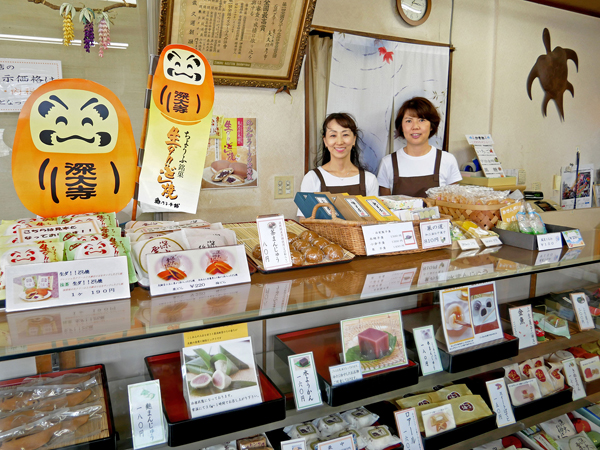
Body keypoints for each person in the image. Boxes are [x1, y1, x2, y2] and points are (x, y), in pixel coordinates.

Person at [377, 97, 461, 197]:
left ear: (431, 126)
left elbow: (452, 204)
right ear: (401, 127)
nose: (415, 127)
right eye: (409, 121)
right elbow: (384, 207)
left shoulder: (447, 160)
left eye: (421, 120)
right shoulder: (388, 163)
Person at [298, 113, 379, 216]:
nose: (340, 142)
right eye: (333, 135)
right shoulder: (312, 178)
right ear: (325, 141)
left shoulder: (369, 179)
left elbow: (375, 221)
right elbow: (304, 222)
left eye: (345, 135)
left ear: (354, 139)